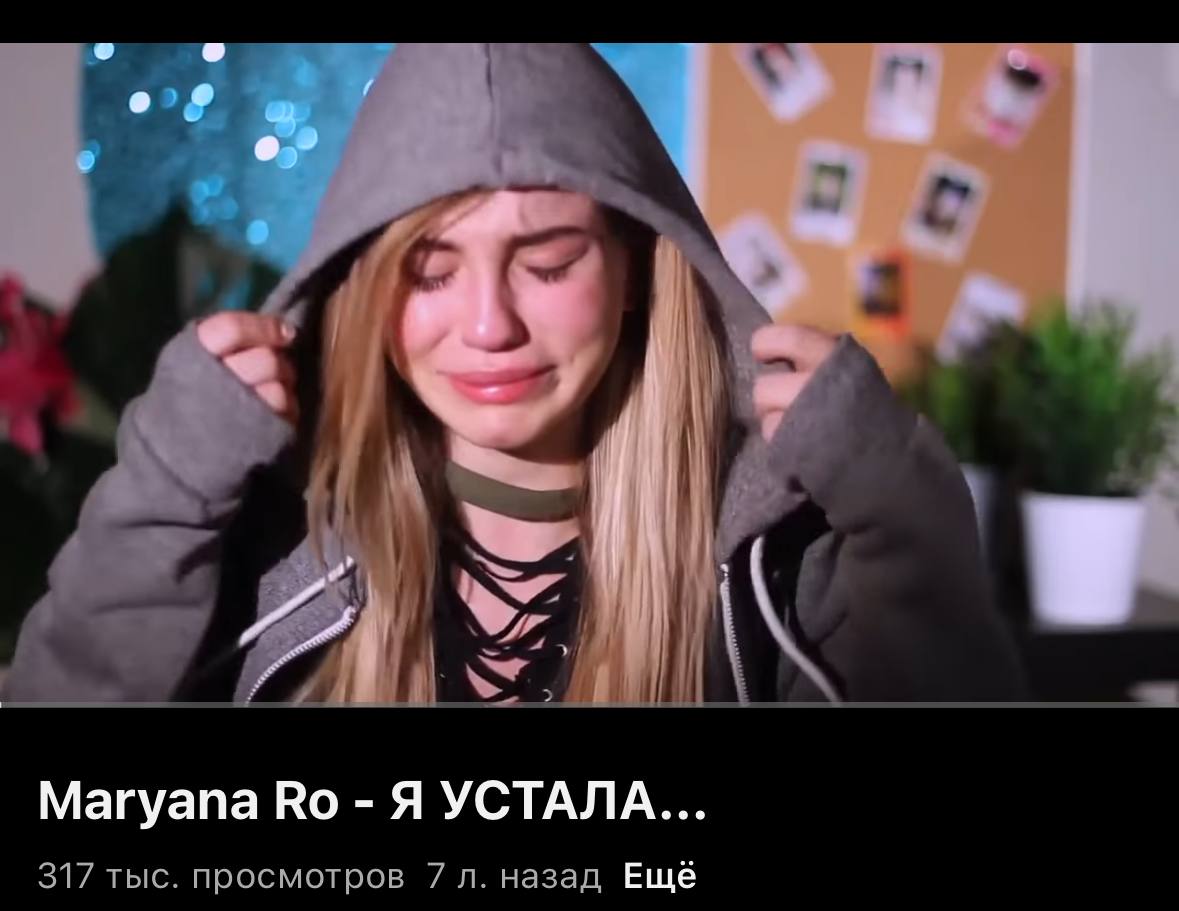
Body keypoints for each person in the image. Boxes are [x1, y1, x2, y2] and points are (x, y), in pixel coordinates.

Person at [3, 43, 1027, 703]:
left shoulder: (770, 567)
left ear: (636, 272)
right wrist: (162, 492)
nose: (489, 325)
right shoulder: (264, 539)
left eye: (547, 261)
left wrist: (904, 510)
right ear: (360, 291)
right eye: (429, 270)